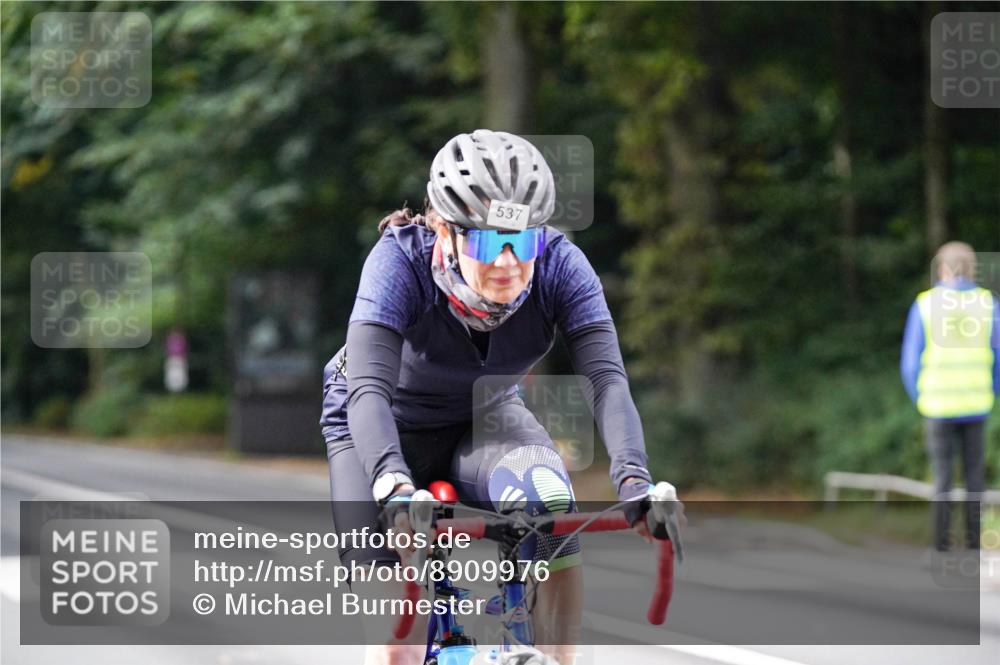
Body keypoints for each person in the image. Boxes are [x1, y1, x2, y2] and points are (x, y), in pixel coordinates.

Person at [320, 130, 671, 665]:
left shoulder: (560, 265)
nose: (508, 261)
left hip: (485, 415)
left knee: (549, 496)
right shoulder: (397, 262)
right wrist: (392, 486)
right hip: (380, 424)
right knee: (399, 639)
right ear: (446, 232)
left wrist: (635, 482)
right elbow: (368, 389)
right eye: (488, 241)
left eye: (523, 239)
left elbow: (606, 379)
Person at [901, 241, 999, 551]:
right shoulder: (988, 304)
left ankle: (940, 545)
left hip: (937, 407)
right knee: (975, 479)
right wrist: (991, 392)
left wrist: (921, 397)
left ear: (942, 269)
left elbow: (909, 363)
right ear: (971, 270)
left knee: (942, 478)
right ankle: (974, 543)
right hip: (977, 405)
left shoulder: (925, 305)